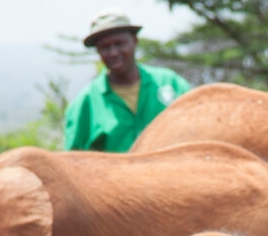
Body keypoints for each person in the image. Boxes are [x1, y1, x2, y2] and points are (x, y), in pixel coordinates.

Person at [63, 11, 193, 153]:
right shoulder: (85, 103)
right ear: (98, 51)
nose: (113, 52)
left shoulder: (171, 84)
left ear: (134, 41)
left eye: (119, 44)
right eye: (105, 47)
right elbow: (73, 161)